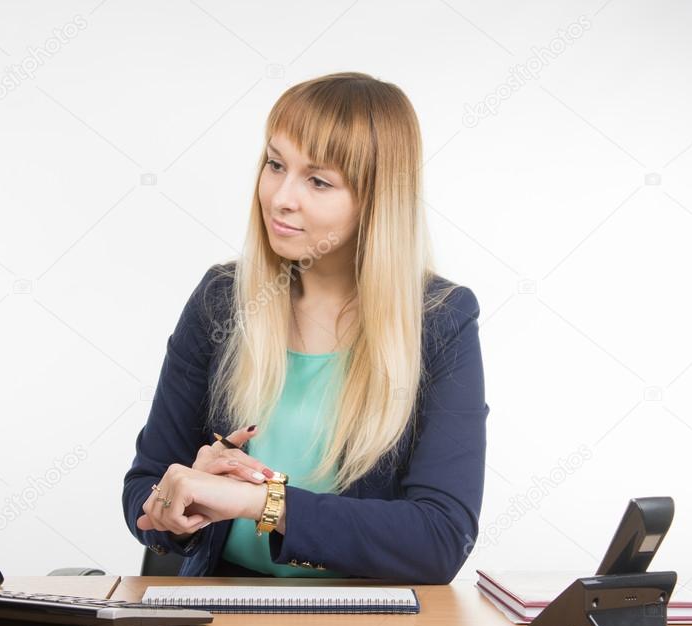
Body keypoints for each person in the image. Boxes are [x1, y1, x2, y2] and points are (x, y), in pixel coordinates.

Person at [122, 71, 489, 581]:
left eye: (318, 181)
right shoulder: (221, 300)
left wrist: (261, 502)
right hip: (222, 612)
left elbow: (440, 538)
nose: (280, 197)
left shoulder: (440, 319)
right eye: (275, 165)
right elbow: (143, 489)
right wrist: (176, 501)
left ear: (376, 201)